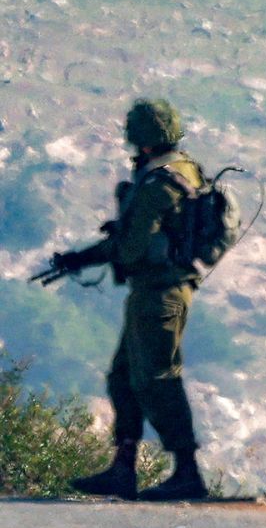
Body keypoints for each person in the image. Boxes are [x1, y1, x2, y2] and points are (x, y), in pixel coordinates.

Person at [66, 98, 210, 501]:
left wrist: (89, 255)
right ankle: (123, 467)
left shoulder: (159, 182)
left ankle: (187, 472)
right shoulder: (177, 172)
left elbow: (130, 249)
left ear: (143, 138)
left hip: (161, 293)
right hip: (151, 290)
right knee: (123, 377)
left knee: (157, 378)